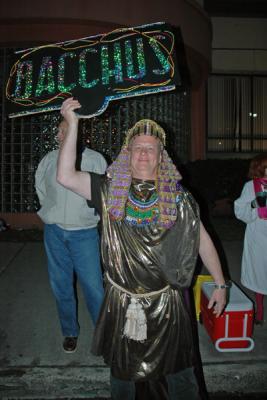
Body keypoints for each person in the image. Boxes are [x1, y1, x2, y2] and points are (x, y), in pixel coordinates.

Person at [57, 97, 227, 399]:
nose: (144, 153)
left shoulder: (179, 198)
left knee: (180, 375)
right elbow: (66, 176)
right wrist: (73, 125)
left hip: (167, 304)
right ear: (128, 154)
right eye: (138, 147)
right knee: (122, 375)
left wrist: (220, 283)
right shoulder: (107, 191)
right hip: (123, 304)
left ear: (162, 156)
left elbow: (201, 239)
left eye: (151, 148)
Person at [35, 118, 107, 353]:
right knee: (60, 285)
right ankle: (69, 331)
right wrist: (51, 214)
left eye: (64, 131)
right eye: (58, 131)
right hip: (54, 232)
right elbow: (41, 190)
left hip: (84, 234)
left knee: (94, 287)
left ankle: (103, 333)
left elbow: (103, 197)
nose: (58, 135)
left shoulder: (95, 160)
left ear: (77, 132)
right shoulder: (49, 160)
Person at [234, 153, 267, 326]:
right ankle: (259, 312)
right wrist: (255, 204)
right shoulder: (250, 186)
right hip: (258, 234)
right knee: (260, 272)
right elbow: (240, 209)